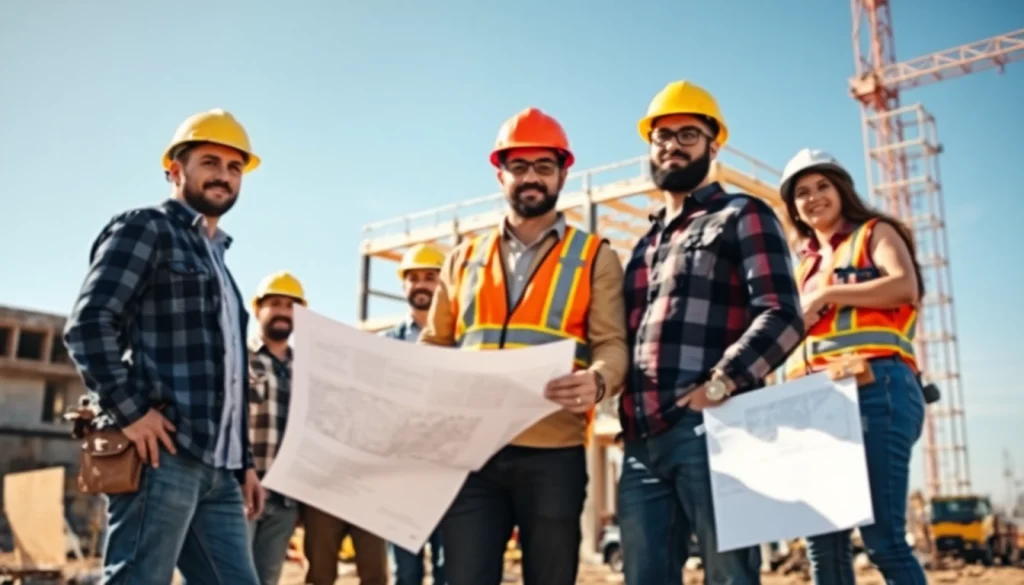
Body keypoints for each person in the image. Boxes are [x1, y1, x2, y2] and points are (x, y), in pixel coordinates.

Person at [418, 106, 628, 585]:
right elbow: (436, 342)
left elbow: (612, 344)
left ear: (562, 174)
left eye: (543, 166)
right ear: (501, 174)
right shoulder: (462, 257)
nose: (531, 177)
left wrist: (598, 381)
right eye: (519, 166)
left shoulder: (594, 256)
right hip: (472, 452)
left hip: (552, 452)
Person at [62, 109, 264, 585]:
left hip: (218, 469)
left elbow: (230, 375)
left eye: (235, 168)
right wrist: (132, 413)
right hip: (162, 455)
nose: (223, 175)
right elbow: (89, 324)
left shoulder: (219, 262)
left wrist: (244, 464)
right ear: (175, 171)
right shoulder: (147, 228)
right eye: (209, 162)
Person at [616, 80, 805, 585]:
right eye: (662, 136)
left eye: (688, 135)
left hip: (713, 428)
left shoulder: (742, 214)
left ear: (713, 146)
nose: (672, 145)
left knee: (729, 576)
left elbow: (783, 314)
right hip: (640, 443)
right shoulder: (643, 245)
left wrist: (719, 385)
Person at [778, 148, 928, 585]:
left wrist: (827, 294)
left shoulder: (874, 233)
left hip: (877, 387)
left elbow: (904, 286)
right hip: (814, 403)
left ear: (842, 190)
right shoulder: (802, 266)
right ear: (794, 208)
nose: (813, 198)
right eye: (802, 193)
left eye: (822, 186)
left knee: (883, 541)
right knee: (823, 548)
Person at [382, 243, 448, 585]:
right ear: (403, 285)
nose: (421, 284)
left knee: (448, 570)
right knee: (405, 574)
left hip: (450, 474)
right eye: (413, 277)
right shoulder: (384, 344)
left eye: (430, 277)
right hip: (402, 475)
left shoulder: (462, 341)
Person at [246, 271, 308, 585]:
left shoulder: (307, 368)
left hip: (285, 500)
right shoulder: (238, 357)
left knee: (266, 580)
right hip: (242, 492)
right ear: (258, 309)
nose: (283, 311)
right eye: (275, 303)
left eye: (290, 305)